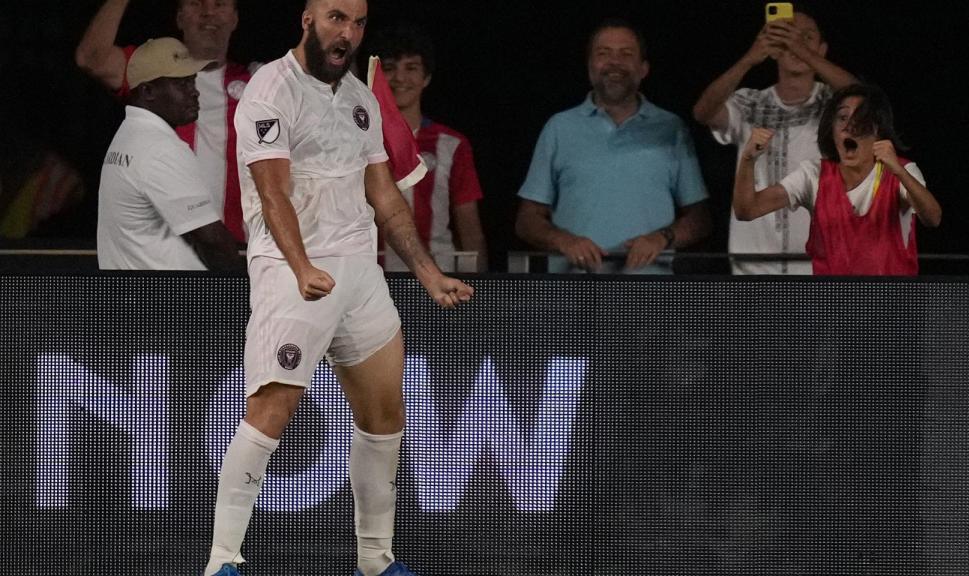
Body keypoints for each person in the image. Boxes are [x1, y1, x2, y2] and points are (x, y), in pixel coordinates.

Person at [203, 1, 474, 575]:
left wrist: (428, 273)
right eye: (335, 18)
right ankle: (222, 560)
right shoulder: (270, 90)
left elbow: (384, 195)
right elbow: (272, 192)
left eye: (356, 23)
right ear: (307, 20)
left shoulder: (359, 98)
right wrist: (301, 267)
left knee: (384, 414)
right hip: (292, 270)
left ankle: (375, 560)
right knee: (272, 408)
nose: (347, 33)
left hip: (359, 271)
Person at [516, 19, 711, 274]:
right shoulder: (559, 128)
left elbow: (700, 219)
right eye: (603, 53)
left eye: (626, 54)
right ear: (590, 67)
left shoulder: (672, 128)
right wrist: (564, 241)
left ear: (644, 69)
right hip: (573, 292)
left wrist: (661, 238)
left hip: (650, 292)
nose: (614, 62)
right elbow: (527, 220)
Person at [693, 9, 857, 275]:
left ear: (822, 50)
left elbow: (864, 100)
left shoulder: (834, 103)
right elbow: (703, 113)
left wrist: (803, 52)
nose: (796, 43)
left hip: (820, 265)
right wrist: (749, 59)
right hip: (754, 267)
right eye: (787, 35)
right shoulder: (750, 102)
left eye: (806, 37)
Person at [76, 0, 254, 243]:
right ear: (179, 18)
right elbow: (91, 58)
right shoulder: (152, 75)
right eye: (196, 3)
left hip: (236, 252)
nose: (208, 12)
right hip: (164, 255)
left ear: (235, 19)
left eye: (220, 4)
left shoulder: (258, 82)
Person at [733, 83, 942, 275]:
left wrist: (897, 170)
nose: (849, 126)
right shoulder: (812, 174)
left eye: (861, 119)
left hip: (892, 300)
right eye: (842, 118)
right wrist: (748, 159)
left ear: (878, 130)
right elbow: (747, 210)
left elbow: (933, 218)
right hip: (832, 301)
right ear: (831, 130)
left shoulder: (904, 171)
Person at [96, 37, 243, 271]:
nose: (194, 93)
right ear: (148, 91)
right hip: (163, 292)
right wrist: (244, 287)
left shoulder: (129, 135)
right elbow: (212, 240)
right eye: (182, 84)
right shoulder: (159, 148)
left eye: (192, 82)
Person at [370, 23, 489, 273]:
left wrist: (480, 291)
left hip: (439, 278)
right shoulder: (359, 142)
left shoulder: (452, 145)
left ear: (427, 77)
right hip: (373, 278)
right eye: (389, 68)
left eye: (411, 68)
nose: (400, 78)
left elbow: (469, 229)